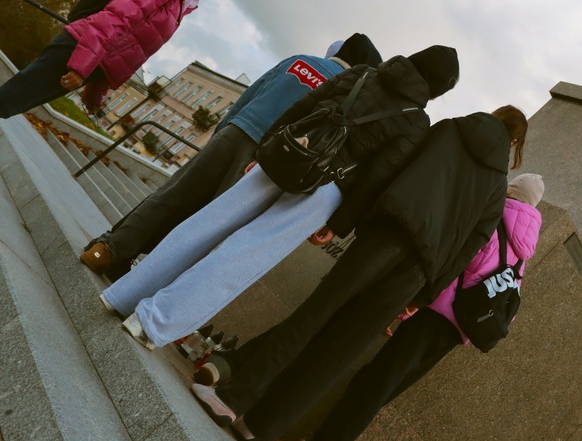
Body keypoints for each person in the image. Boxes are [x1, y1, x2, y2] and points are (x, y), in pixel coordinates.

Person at [189, 106, 528, 441]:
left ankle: (233, 399)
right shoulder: (496, 187)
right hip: (416, 274)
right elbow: (466, 250)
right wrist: (423, 296)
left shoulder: (449, 130)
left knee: (312, 317)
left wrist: (349, 219)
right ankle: (260, 428)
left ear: (493, 113)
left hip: (387, 235)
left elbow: (396, 168)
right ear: (513, 143)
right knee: (340, 351)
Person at [99, 44, 460, 350]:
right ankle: (152, 323)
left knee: (205, 224)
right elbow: (375, 176)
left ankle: (126, 294)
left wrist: (266, 147)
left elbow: (304, 107)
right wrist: (339, 223)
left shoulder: (364, 73)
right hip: (325, 189)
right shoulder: (415, 122)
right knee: (244, 255)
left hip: (287, 154)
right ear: (438, 90)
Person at [256, 172, 544, 441]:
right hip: (454, 332)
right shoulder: (522, 253)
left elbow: (452, 262)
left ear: (511, 190)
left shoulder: (491, 218)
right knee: (380, 386)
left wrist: (412, 303)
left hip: (432, 316)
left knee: (374, 385)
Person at [79, 33, 383, 281]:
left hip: (235, 131)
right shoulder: (344, 91)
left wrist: (224, 131)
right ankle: (143, 281)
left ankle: (108, 250)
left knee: (171, 195)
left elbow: (251, 94)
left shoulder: (299, 61)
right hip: (264, 159)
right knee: (205, 224)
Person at [0, 0, 229, 118]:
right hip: (77, 50)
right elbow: (114, 20)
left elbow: (124, 49)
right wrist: (81, 67)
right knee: (9, 100)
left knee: (11, 104)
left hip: (87, 58)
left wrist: (94, 92)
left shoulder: (179, 4)